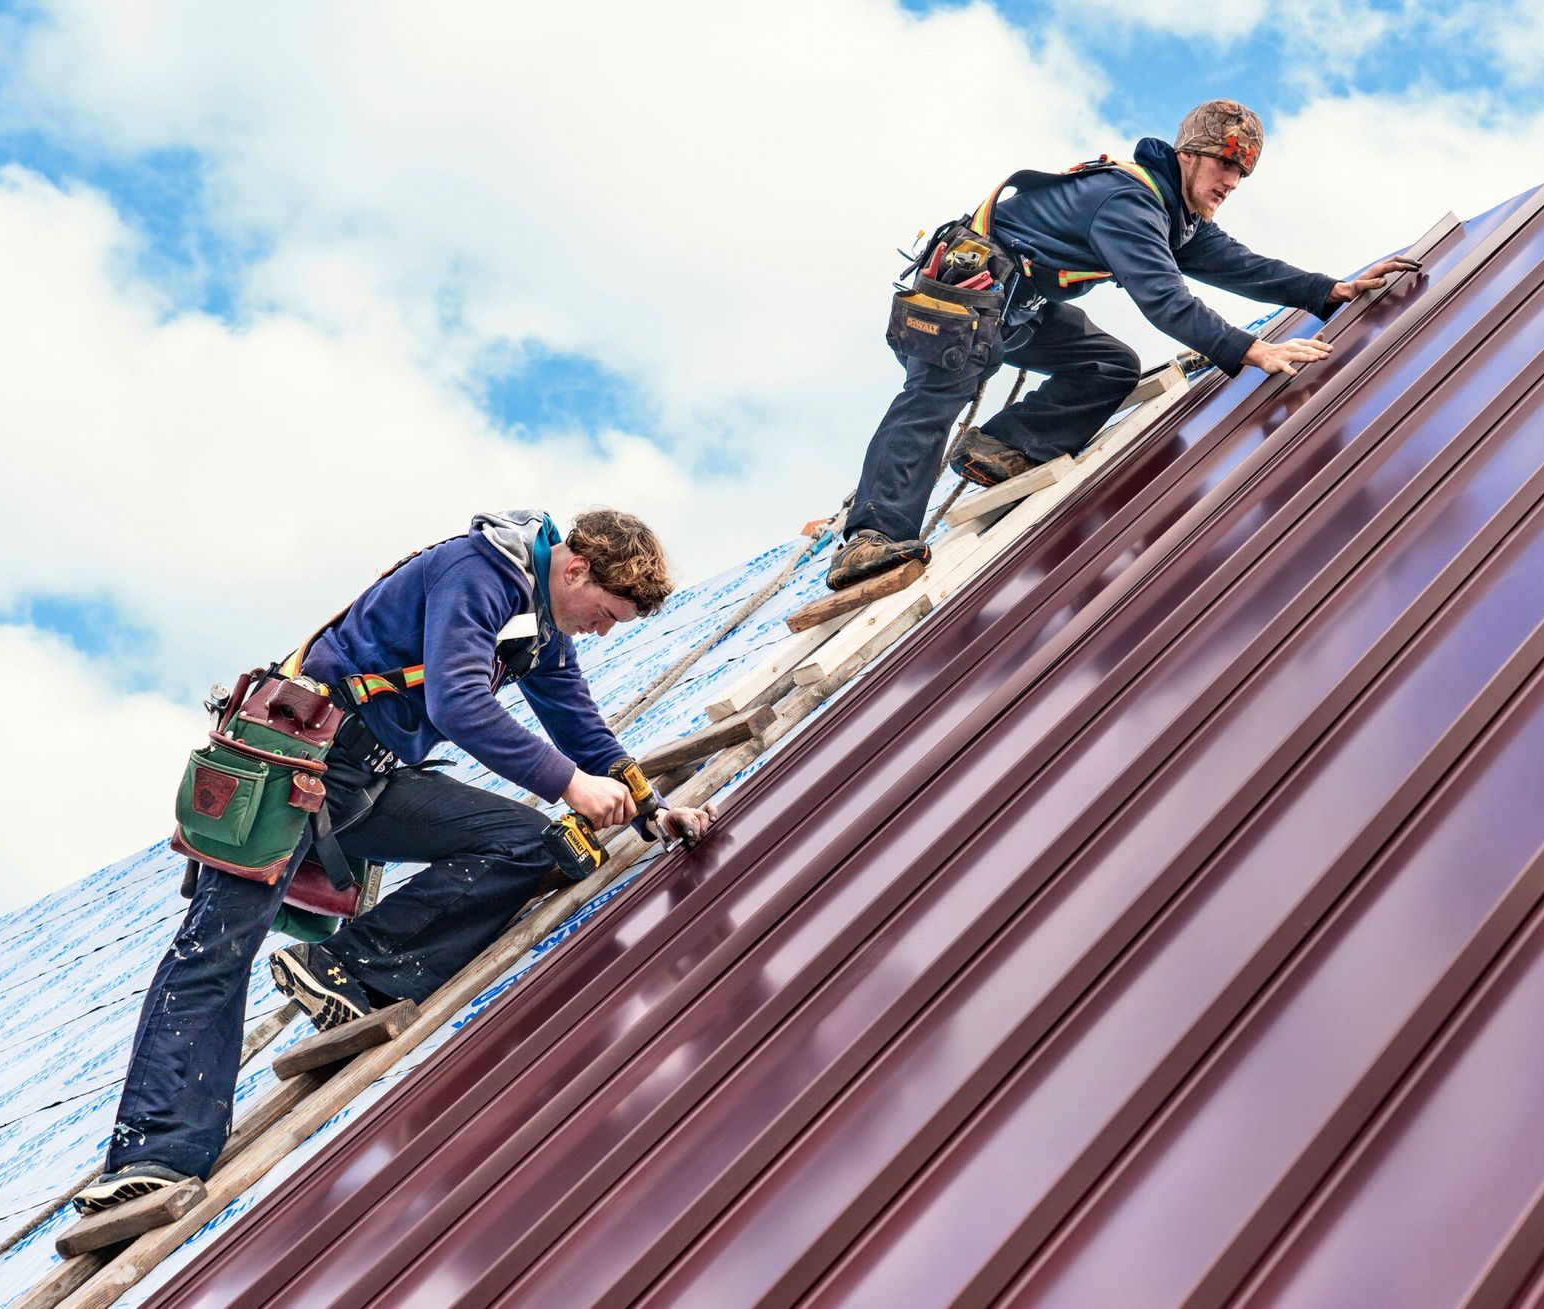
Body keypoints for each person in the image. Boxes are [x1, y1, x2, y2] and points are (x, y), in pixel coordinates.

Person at [74, 508, 718, 1212]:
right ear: (574, 569)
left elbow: (578, 722)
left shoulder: (539, 622)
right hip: (296, 763)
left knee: (522, 843)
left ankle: (348, 969)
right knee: (218, 943)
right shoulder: (481, 575)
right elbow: (460, 701)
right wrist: (569, 783)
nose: (600, 631)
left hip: (369, 779)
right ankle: (152, 1156)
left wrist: (652, 806)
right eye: (604, 614)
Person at [829, 98, 1419, 590]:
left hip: (1018, 308)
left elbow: (1235, 263)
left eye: (1242, 175)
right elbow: (1164, 299)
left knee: (1108, 365)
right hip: (965, 300)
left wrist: (1326, 291)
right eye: (1224, 165)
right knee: (935, 398)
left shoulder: (1168, 212)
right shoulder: (1129, 202)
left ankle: (1001, 447)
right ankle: (872, 539)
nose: (1232, 183)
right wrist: (1247, 350)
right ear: (1188, 155)